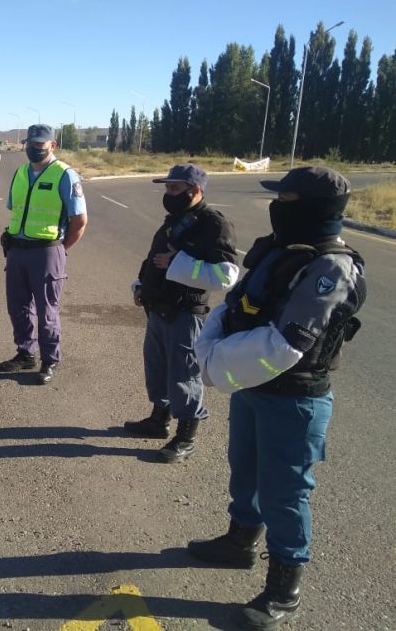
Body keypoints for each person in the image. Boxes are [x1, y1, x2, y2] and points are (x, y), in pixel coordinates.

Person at [188, 166, 366, 630]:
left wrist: (211, 359)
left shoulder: (331, 266)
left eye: (284, 199)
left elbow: (288, 344)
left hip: (294, 397)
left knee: (285, 491)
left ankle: (284, 590)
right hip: (253, 385)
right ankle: (239, 542)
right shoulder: (282, 251)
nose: (275, 208)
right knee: (244, 468)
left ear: (310, 209)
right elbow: (234, 305)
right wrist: (216, 349)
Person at [125, 164, 239, 462]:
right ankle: (158, 420)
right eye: (167, 188)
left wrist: (179, 263)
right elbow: (153, 259)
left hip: (186, 313)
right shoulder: (173, 222)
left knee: (185, 374)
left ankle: (186, 437)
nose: (169, 194)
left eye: (175, 189)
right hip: (158, 309)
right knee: (158, 369)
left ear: (196, 190)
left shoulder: (214, 225)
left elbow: (226, 275)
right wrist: (141, 285)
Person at [0, 124, 87, 385]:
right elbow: (15, 209)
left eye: (40, 145)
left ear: (53, 145)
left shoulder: (65, 175)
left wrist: (60, 249)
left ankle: (49, 360)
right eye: (30, 144)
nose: (34, 149)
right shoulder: (20, 173)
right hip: (17, 251)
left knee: (47, 311)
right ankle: (25, 353)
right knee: (18, 306)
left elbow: (79, 221)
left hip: (47, 252)